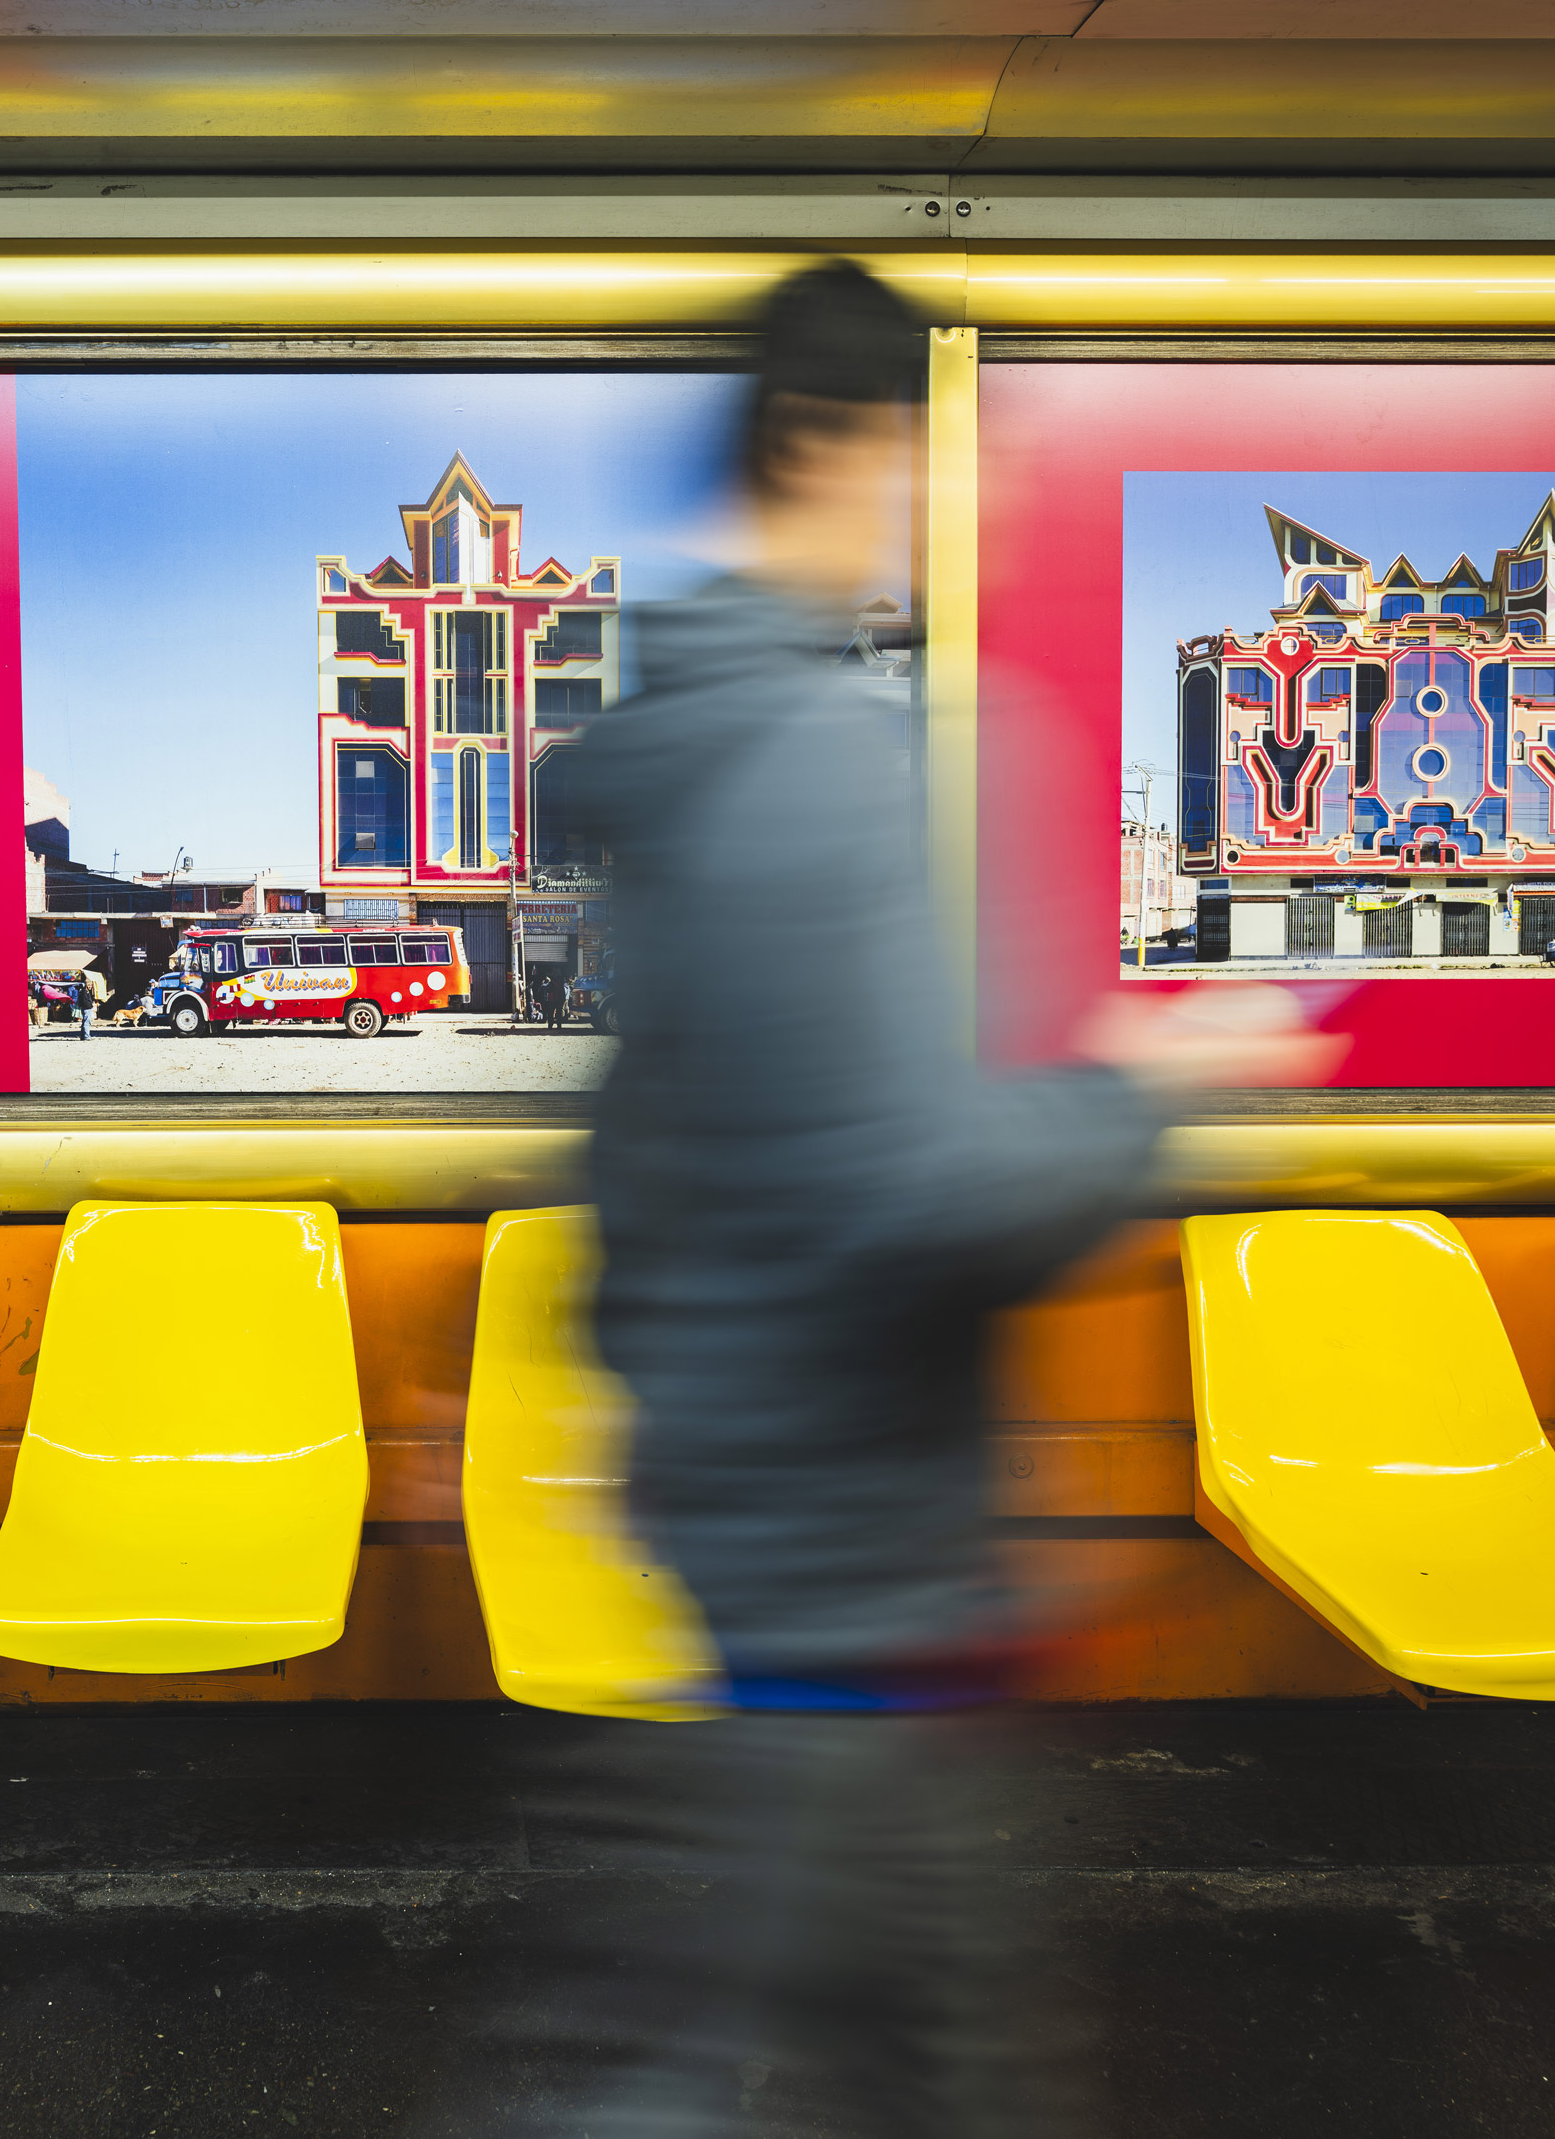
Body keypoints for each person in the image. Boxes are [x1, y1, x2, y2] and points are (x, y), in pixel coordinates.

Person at [534, 260, 1339, 2138]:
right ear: (827, 443)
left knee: (795, 2045)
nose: (969, 504)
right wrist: (1150, 1083)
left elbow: (637, 1179)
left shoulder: (689, 752)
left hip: (756, 1515)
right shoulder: (827, 766)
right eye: (938, 452)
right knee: (915, 2068)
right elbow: (924, 1194)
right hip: (854, 1556)